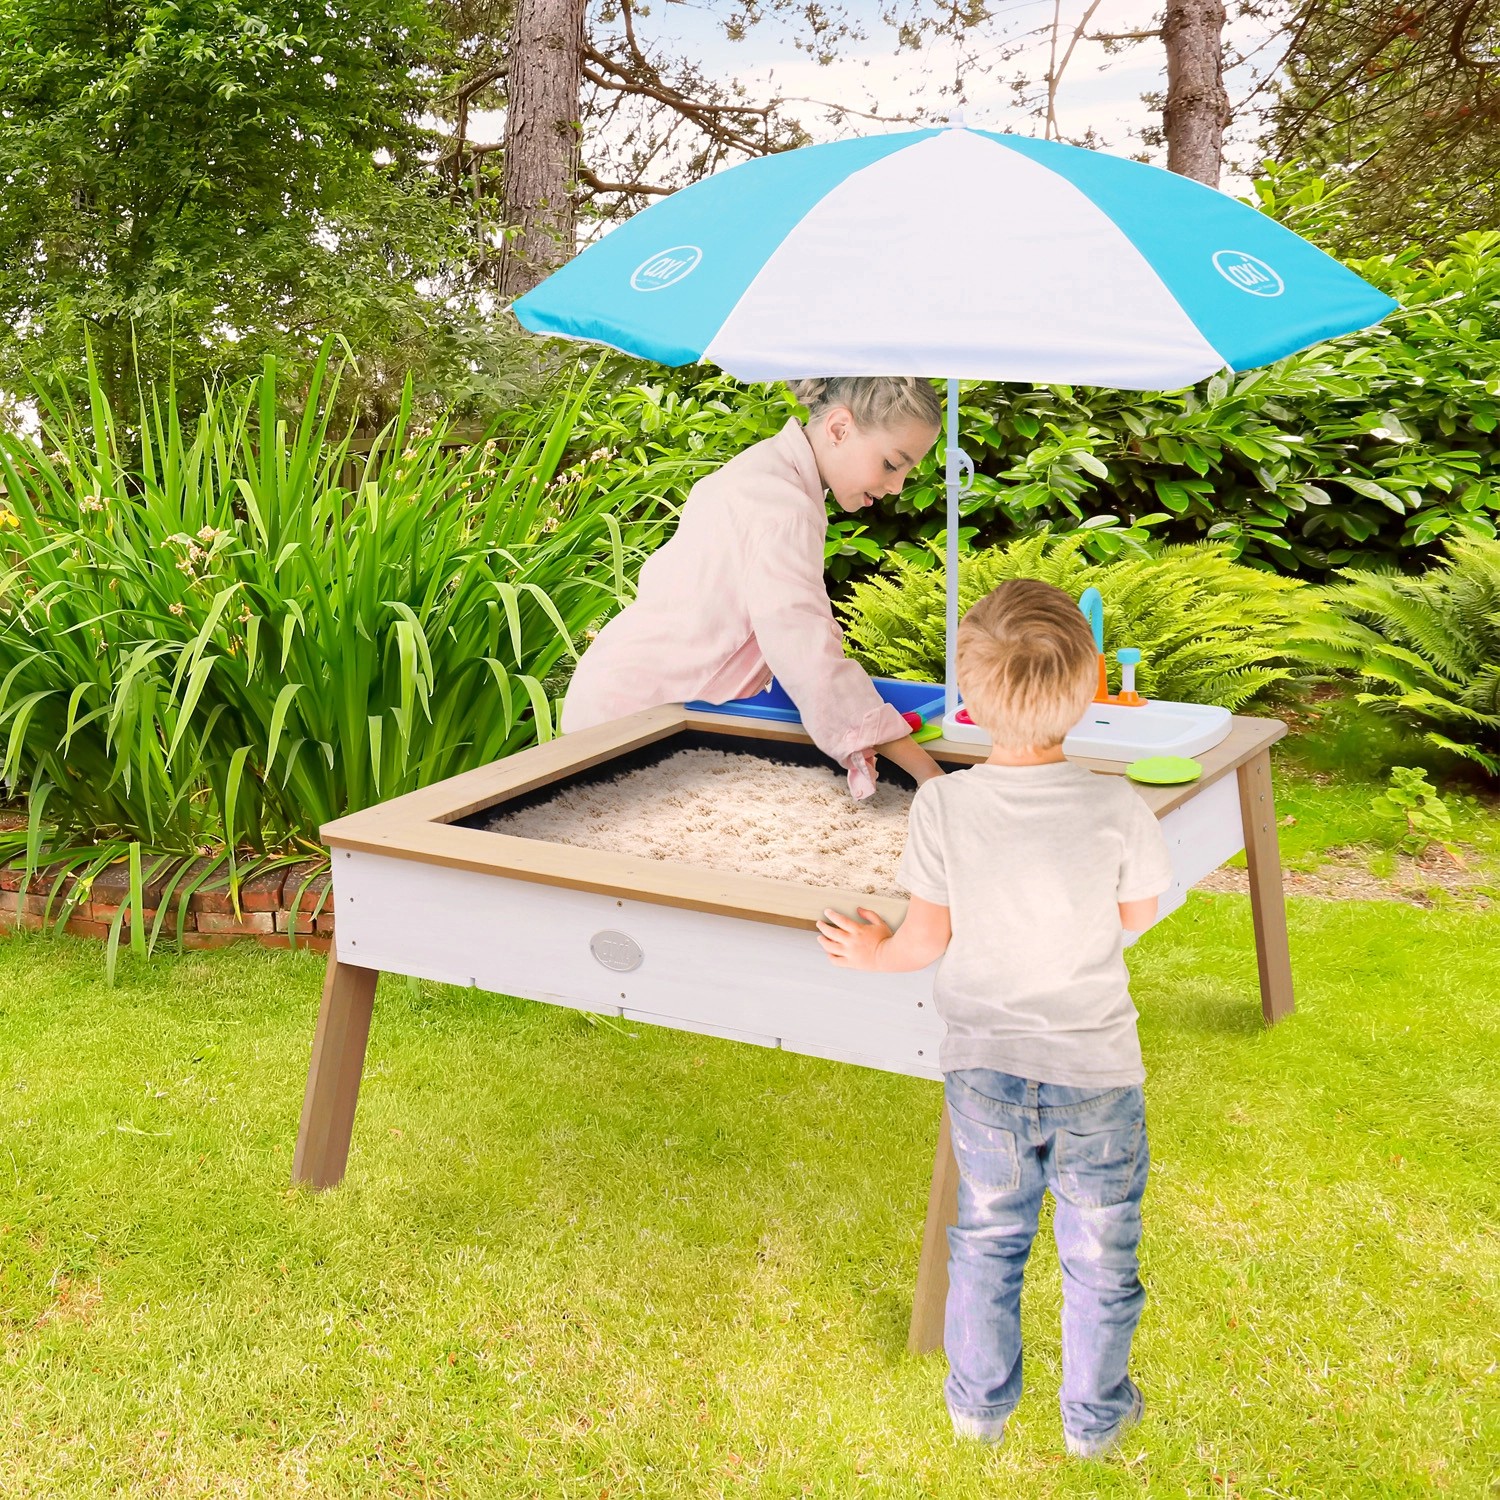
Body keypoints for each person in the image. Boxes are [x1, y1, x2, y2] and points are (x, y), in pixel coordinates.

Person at [815, 578, 1174, 1458]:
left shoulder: (944, 805)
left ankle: (978, 1411)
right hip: (1095, 1071)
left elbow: (922, 941)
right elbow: (1137, 917)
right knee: (1101, 1255)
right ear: (1089, 689)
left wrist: (871, 954)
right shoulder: (1119, 806)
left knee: (987, 1240)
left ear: (967, 699)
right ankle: (1095, 1423)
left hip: (984, 1072)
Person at [561, 377, 947, 797]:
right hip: (636, 715)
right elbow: (808, 656)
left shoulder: (762, 468)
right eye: (891, 464)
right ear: (839, 429)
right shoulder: (784, 509)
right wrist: (928, 773)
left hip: (616, 692)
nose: (897, 486)